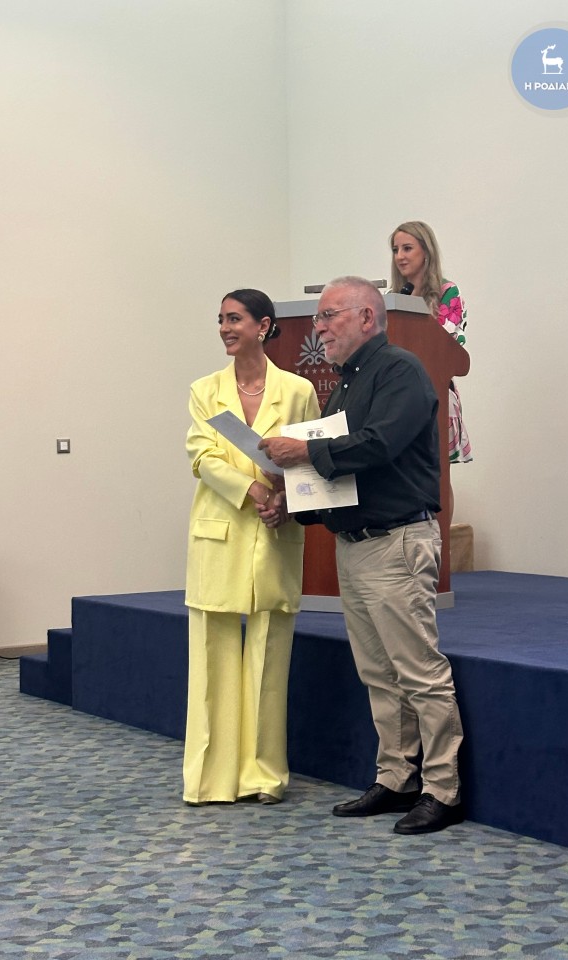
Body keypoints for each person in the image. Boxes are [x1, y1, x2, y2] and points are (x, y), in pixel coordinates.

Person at [258, 276, 464, 835]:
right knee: (379, 673)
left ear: (367, 317)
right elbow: (342, 475)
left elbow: (377, 446)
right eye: (319, 317)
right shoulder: (347, 382)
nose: (319, 327)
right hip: (357, 544)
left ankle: (443, 789)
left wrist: (303, 450)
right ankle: (396, 778)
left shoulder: (400, 370)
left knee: (419, 672)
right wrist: (295, 504)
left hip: (397, 542)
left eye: (330, 316)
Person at [183, 288, 320, 806]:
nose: (224, 327)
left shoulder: (299, 390)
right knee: (212, 658)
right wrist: (254, 491)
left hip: (276, 533)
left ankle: (263, 776)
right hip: (219, 531)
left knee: (269, 660)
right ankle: (211, 778)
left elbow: (311, 459)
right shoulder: (204, 390)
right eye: (220, 319)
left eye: (234, 318)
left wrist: (285, 501)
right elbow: (202, 457)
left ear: (263, 326)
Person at [389, 220, 472, 522]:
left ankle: (442, 546)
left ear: (426, 251)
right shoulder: (393, 297)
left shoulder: (448, 292)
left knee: (438, 474)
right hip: (397, 396)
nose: (400, 256)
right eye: (396, 249)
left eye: (407, 248)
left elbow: (451, 343)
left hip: (434, 391)